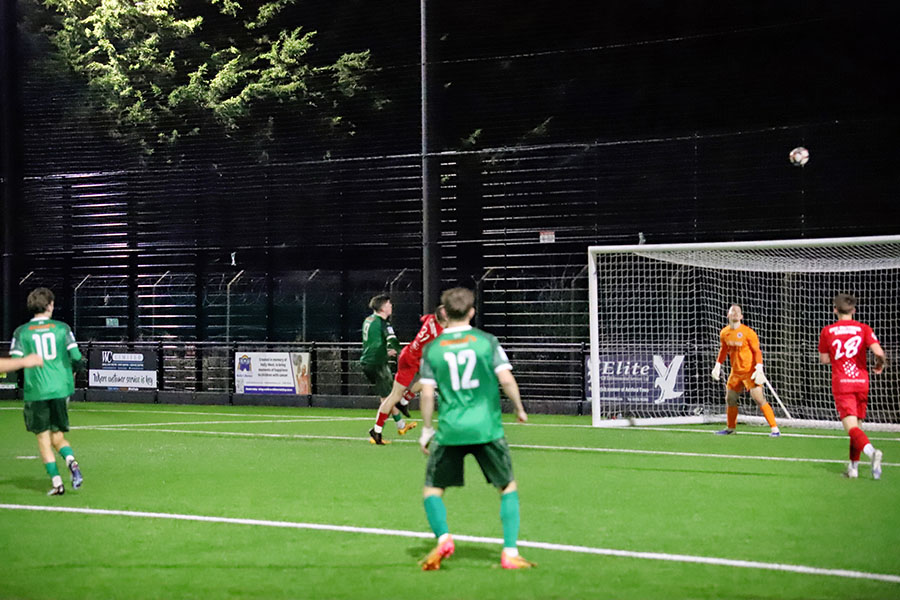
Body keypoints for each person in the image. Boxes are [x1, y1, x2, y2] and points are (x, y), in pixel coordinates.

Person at [417, 287, 535, 570]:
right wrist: (519, 408)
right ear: (472, 311)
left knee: (433, 490)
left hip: (451, 429)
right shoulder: (486, 342)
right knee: (507, 486)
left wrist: (427, 429)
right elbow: (506, 379)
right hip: (486, 428)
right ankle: (510, 552)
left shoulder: (432, 349)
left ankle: (444, 538)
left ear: (444, 313)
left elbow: (427, 393)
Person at [9, 288, 84, 496]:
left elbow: (16, 361)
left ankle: (57, 483)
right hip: (60, 388)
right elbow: (77, 357)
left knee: (43, 438)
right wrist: (74, 370)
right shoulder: (62, 328)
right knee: (57, 436)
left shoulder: (22, 332)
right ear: (50, 305)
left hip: (37, 390)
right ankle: (71, 461)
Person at [818, 293, 886, 479]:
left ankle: (872, 452)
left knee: (851, 428)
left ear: (835, 310)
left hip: (843, 384)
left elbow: (824, 359)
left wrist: (837, 357)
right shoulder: (863, 328)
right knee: (857, 428)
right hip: (861, 382)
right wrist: (879, 364)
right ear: (853, 310)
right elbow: (879, 352)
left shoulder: (828, 331)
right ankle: (853, 468)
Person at [368, 305, 447, 443]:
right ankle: (377, 430)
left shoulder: (431, 319)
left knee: (429, 379)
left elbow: (424, 319)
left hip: (413, 356)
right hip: (410, 360)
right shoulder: (439, 333)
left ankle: (404, 401)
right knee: (394, 396)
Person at [711, 304, 780, 436]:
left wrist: (759, 367)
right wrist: (718, 365)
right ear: (728, 315)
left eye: (738, 312)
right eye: (733, 311)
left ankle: (775, 429)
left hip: (749, 372)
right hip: (735, 372)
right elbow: (723, 350)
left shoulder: (748, 333)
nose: (735, 313)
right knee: (730, 398)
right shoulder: (724, 333)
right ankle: (731, 428)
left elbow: (757, 351)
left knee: (758, 398)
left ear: (741, 316)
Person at [360, 294, 415, 444]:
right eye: (389, 304)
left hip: (367, 362)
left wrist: (384, 351)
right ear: (383, 307)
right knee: (390, 398)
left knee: (387, 397)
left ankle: (401, 425)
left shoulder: (368, 320)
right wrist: (404, 353)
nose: (391, 306)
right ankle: (377, 431)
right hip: (378, 364)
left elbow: (372, 342)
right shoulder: (384, 323)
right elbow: (392, 340)